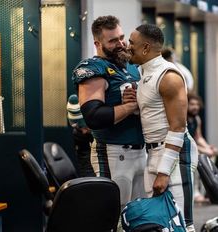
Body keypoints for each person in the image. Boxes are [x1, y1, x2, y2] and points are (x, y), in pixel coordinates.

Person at [125, 24, 198, 232]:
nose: (128, 47)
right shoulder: (145, 74)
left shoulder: (169, 77)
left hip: (175, 155)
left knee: (181, 224)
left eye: (132, 43)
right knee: (159, 223)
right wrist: (136, 105)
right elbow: (156, 114)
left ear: (146, 48)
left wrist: (163, 171)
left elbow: (178, 127)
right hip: (153, 152)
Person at [72, 15, 147, 210]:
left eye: (121, 37)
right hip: (114, 152)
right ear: (97, 43)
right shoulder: (93, 68)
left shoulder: (132, 66)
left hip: (141, 151)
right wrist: (130, 106)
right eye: (113, 41)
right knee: (114, 215)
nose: (121, 44)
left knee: (139, 215)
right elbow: (93, 117)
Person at [187, 92, 218, 203]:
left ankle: (208, 191)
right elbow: (189, 141)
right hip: (184, 150)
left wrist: (209, 147)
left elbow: (198, 137)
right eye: (192, 104)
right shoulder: (183, 118)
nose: (195, 107)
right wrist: (204, 150)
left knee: (211, 155)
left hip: (193, 147)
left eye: (197, 104)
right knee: (196, 161)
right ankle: (195, 192)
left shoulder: (197, 119)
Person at [66, 94, 95, 177]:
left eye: (85, 127)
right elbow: (85, 165)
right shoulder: (78, 134)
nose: (84, 132)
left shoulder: (103, 128)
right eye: (79, 127)